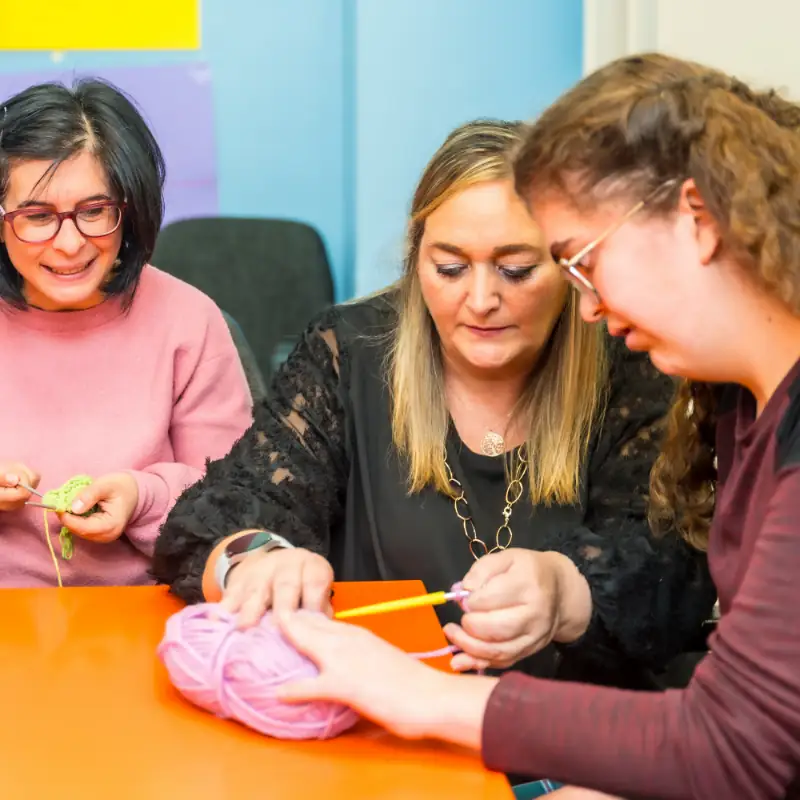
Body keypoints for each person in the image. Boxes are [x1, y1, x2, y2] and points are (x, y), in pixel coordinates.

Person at [267, 53, 800, 800]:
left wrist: (428, 699)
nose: (586, 307)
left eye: (579, 262)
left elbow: (734, 745)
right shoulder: (743, 403)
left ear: (699, 224)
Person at [153, 118, 714, 695]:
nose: (480, 299)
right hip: (373, 743)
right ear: (416, 261)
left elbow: (675, 574)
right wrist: (257, 559)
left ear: (571, 265)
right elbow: (224, 512)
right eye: (449, 268)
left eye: (516, 270)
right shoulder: (349, 353)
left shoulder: (628, 369)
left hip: (561, 748)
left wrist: (566, 590)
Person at [0, 78, 253, 587]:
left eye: (95, 211)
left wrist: (143, 498)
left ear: (131, 211)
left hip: (145, 614)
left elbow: (238, 503)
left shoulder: (188, 320)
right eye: (36, 216)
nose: (69, 243)